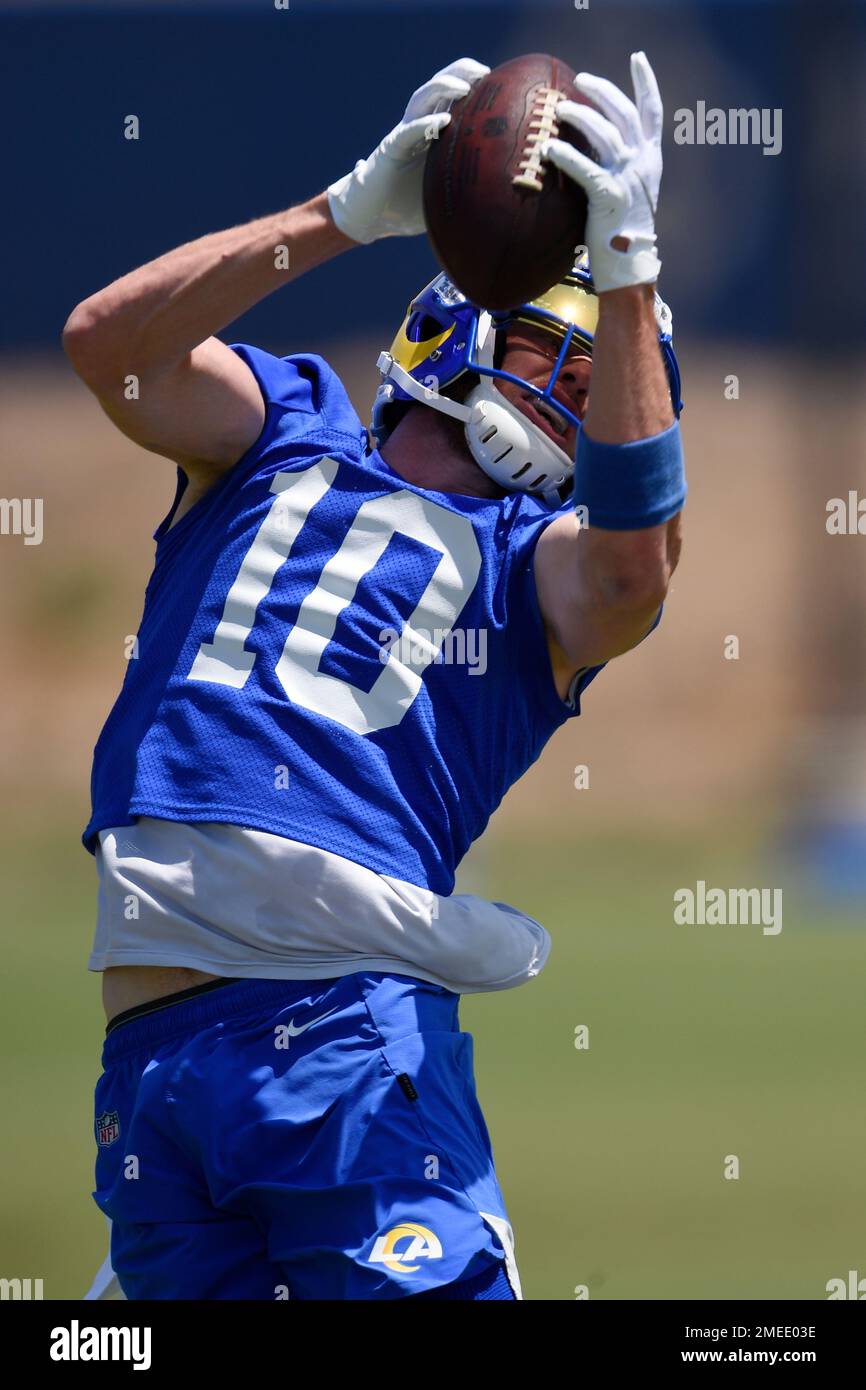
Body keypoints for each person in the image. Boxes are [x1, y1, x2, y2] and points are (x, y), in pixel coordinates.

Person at [65, 52, 685, 1301]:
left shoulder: (533, 571)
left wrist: (627, 278)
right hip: (155, 1066)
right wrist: (339, 213)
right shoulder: (277, 430)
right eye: (559, 369)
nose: (573, 412)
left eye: (596, 392)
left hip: (336, 1030)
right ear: (451, 321)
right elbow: (111, 346)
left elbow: (632, 577)